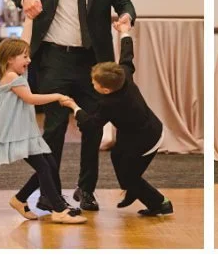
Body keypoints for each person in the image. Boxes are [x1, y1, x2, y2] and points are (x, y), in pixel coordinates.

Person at [6, 0, 137, 211]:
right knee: (54, 128)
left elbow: (124, 2)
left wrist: (127, 16)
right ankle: (49, 193)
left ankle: (86, 189)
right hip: (55, 58)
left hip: (93, 63)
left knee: (91, 127)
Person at [59, 20, 173, 216]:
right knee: (116, 155)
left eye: (93, 83)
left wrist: (73, 105)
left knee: (130, 177)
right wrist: (124, 31)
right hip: (141, 131)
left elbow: (90, 124)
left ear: (105, 89)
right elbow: (127, 54)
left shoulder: (109, 104)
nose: (91, 84)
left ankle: (160, 203)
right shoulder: (124, 74)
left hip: (147, 140)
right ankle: (133, 191)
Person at [0, 38, 87, 224]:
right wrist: (58, 96)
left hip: (24, 131)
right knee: (44, 167)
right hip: (16, 133)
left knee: (49, 165)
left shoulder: (15, 74)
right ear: (9, 59)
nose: (29, 60)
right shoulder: (12, 77)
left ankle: (20, 199)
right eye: (24, 56)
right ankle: (59, 210)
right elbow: (30, 99)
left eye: (28, 56)